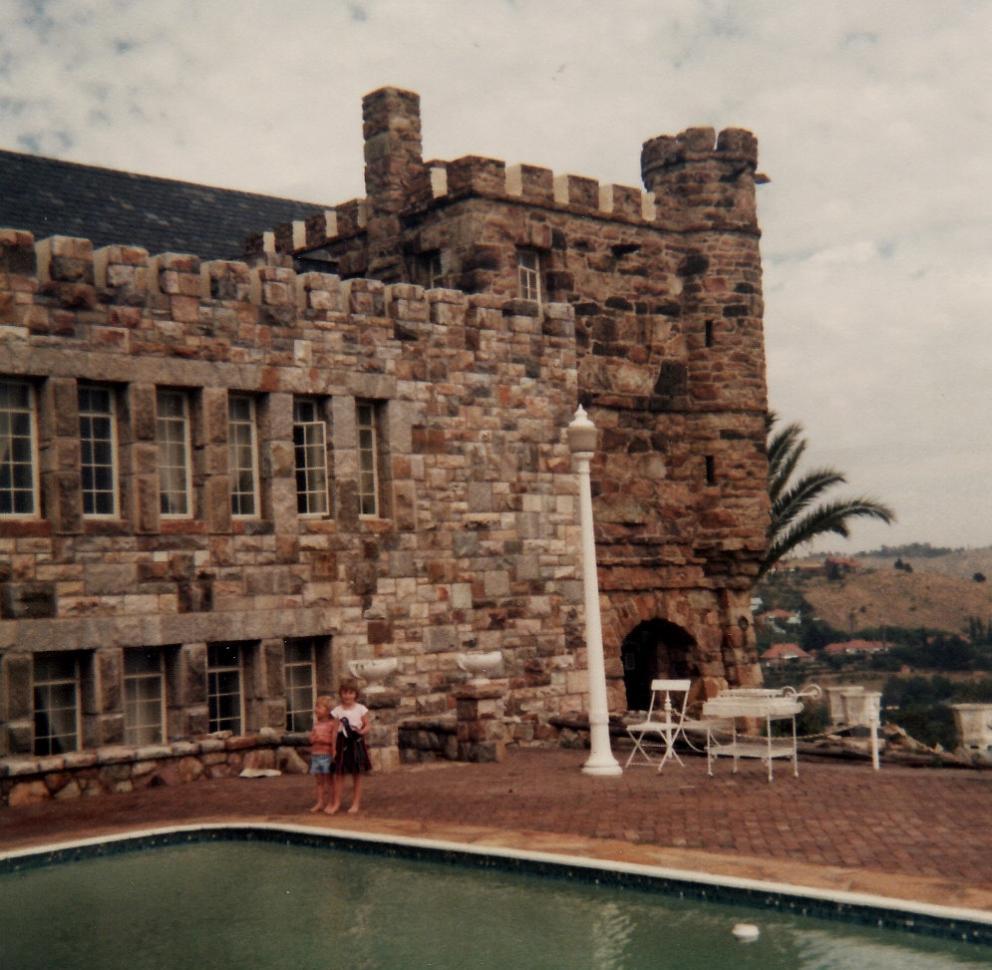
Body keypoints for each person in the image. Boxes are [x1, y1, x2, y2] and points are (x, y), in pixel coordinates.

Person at [332, 677, 372, 813]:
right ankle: (336, 803)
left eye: (350, 692)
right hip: (342, 742)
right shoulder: (337, 710)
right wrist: (333, 748)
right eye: (344, 692)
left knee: (357, 774)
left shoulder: (361, 709)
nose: (347, 695)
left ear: (356, 694)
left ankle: (355, 803)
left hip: (356, 742)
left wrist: (362, 731)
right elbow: (334, 730)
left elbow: (368, 725)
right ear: (340, 694)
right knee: (339, 774)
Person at [307, 695, 338, 814]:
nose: (316, 710)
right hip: (316, 755)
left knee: (329, 781)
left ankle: (331, 801)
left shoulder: (331, 724)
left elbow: (333, 740)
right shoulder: (316, 724)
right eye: (316, 707)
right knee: (319, 781)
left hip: (326, 756)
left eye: (319, 707)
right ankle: (320, 802)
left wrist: (323, 740)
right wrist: (313, 738)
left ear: (328, 710)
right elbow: (311, 739)